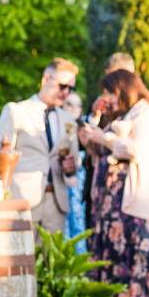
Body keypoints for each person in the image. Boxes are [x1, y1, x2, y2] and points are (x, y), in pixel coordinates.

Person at [78, 69, 149, 297]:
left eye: (109, 93)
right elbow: (101, 156)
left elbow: (137, 150)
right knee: (111, 268)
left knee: (132, 269)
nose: (108, 98)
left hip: (132, 207)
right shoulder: (121, 115)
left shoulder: (147, 114)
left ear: (123, 88)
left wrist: (103, 138)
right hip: (110, 209)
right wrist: (92, 134)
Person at [0, 58, 79, 235]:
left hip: (57, 204)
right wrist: (1, 197)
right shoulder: (16, 111)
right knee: (20, 258)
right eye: (62, 86)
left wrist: (70, 168)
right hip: (22, 201)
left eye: (71, 88)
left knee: (52, 261)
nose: (66, 92)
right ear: (45, 80)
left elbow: (74, 162)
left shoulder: (69, 121)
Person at [62, 91, 88, 244]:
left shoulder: (84, 128)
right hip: (62, 185)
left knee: (79, 225)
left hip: (80, 185)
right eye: (69, 104)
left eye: (77, 105)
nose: (73, 109)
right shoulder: (56, 126)